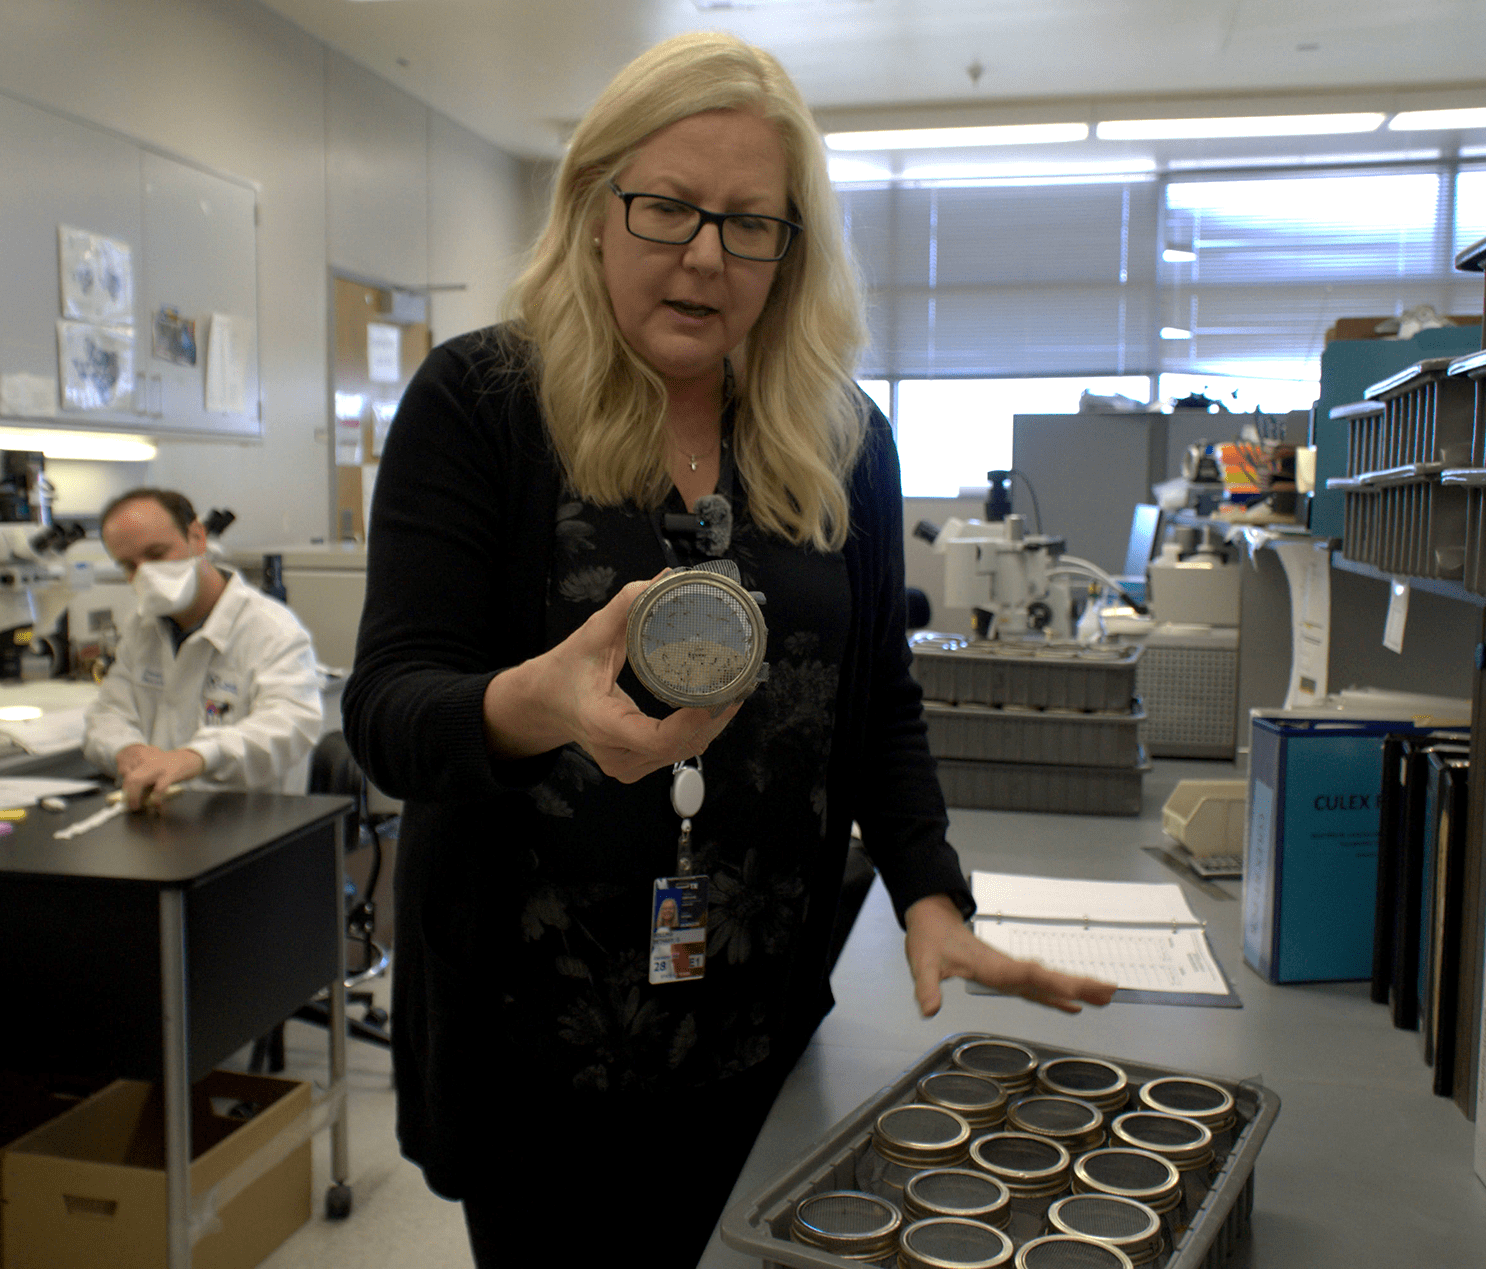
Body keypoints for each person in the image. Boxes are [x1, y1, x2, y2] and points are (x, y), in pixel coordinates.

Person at [341, 31, 1116, 1266]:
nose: (705, 255)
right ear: (597, 205)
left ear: (790, 249)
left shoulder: (842, 441)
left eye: (750, 224)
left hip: (760, 1024)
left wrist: (929, 891)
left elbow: (877, 705)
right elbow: (386, 710)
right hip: (534, 1035)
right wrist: (534, 701)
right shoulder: (483, 403)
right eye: (668, 209)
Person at [85, 488, 323, 810]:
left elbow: (288, 725)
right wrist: (126, 749)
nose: (145, 574)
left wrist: (198, 756)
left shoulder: (269, 629)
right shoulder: (142, 628)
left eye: (156, 554)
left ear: (197, 537)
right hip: (164, 820)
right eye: (129, 565)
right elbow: (108, 714)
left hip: (248, 826)